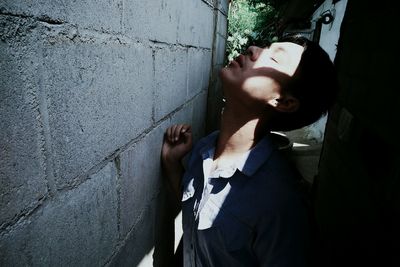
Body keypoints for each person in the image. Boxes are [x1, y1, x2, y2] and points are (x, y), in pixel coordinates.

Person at [161, 35, 338, 266]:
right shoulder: (203, 149)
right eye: (265, 47)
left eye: (274, 58)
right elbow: (195, 209)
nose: (253, 49)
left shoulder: (281, 204)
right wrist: (172, 163)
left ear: (283, 101)